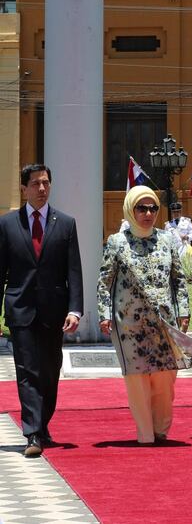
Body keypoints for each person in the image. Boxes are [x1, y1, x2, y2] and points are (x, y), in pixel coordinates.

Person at [0, 163, 83, 457]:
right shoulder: (8, 224)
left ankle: (43, 423)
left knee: (49, 371)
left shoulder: (66, 223)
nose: (42, 189)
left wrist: (75, 310)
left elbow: (74, 271)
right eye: (35, 184)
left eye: (46, 183)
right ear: (24, 189)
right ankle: (32, 432)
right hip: (20, 309)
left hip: (54, 311)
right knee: (27, 371)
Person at [97, 186, 190, 445]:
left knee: (165, 378)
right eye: (141, 208)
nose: (148, 213)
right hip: (129, 325)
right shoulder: (117, 242)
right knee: (137, 380)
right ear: (130, 209)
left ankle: (161, 429)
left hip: (163, 322)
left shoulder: (167, 240)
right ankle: (145, 434)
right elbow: (105, 282)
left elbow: (178, 280)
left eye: (152, 208)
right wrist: (104, 314)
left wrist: (184, 311)